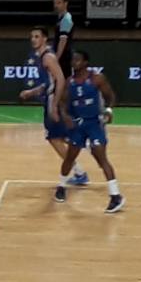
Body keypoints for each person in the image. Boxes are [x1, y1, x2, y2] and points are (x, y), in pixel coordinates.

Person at [55, 51, 126, 213]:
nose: (74, 62)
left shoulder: (96, 79)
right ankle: (61, 186)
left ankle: (115, 196)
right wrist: (65, 116)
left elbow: (111, 96)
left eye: (77, 60)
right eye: (73, 60)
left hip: (94, 124)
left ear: (85, 62)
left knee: (101, 158)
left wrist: (109, 110)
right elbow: (62, 103)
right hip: (77, 125)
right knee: (70, 157)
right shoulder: (70, 82)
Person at [19, 26, 89, 186]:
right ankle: (85, 148)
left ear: (44, 39)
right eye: (32, 37)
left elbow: (61, 80)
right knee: (60, 136)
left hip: (54, 99)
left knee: (53, 138)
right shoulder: (43, 56)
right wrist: (31, 92)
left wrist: (55, 104)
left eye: (37, 36)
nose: (33, 39)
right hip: (51, 98)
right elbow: (48, 83)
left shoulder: (48, 57)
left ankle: (79, 171)